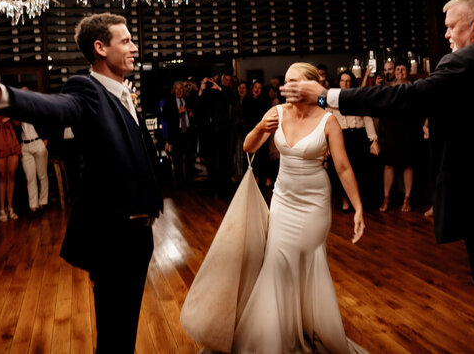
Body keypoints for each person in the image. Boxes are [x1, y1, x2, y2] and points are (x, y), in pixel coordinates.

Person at [281, 0, 474, 353]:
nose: (446, 35)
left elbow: (406, 97)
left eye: (451, 27)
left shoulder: (471, 60)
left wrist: (326, 95)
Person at [0, 13, 163, 353]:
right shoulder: (87, 90)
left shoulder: (122, 92)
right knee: (114, 337)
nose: (135, 47)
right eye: (125, 41)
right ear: (100, 48)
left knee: (126, 330)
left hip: (140, 234)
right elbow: (54, 106)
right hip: (114, 238)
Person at [191, 62, 365, 352]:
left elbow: (343, 167)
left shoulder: (328, 121)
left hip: (314, 203)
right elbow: (248, 146)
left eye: (294, 82)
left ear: (311, 85)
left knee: (307, 263)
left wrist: (358, 207)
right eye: (285, 82)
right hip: (283, 199)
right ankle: (275, 334)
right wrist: (260, 127)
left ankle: (306, 324)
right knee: (278, 263)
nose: (286, 89)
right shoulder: (276, 112)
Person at [328, 71, 380, 211]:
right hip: (341, 136)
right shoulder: (331, 97)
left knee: (360, 169)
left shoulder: (359, 97)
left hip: (359, 135)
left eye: (348, 81)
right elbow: (322, 112)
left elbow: (367, 119)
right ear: (338, 82)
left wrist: (373, 140)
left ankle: (359, 201)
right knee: (341, 169)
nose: (345, 83)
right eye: (343, 81)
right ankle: (345, 200)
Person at [377, 62, 423, 213]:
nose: (400, 72)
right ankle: (386, 197)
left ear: (408, 71)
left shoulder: (415, 87)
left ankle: (407, 198)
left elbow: (423, 107)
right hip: (392, 129)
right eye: (397, 69)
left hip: (409, 128)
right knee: (388, 164)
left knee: (408, 164)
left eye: (403, 69)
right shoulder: (388, 88)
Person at [17, 87, 52, 215]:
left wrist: (45, 141)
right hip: (25, 146)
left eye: (26, 91)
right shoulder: (18, 109)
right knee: (29, 177)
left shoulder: (38, 106)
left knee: (42, 175)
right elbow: (15, 127)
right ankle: (33, 206)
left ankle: (43, 201)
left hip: (38, 143)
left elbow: (49, 121)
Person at [162, 81, 197, 186]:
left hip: (189, 134)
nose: (179, 91)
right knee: (177, 160)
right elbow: (165, 117)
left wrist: (191, 114)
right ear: (173, 90)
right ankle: (180, 183)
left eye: (181, 88)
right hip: (176, 135)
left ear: (184, 90)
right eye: (176, 89)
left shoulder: (189, 100)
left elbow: (195, 115)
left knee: (190, 159)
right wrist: (177, 113)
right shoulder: (169, 102)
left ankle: (190, 182)